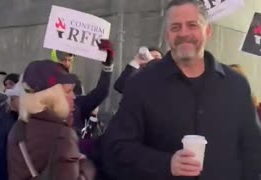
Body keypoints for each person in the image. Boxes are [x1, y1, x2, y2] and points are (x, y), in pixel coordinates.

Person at [101, 0, 261, 180]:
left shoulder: (236, 84)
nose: (184, 33)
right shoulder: (141, 85)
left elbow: (253, 152)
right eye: (175, 27)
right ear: (167, 35)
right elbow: (116, 148)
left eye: (192, 25)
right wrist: (165, 163)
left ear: (208, 31)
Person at [8, 60, 95, 180]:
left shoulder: (18, 128)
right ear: (52, 96)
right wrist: (85, 168)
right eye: (68, 91)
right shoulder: (62, 135)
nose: (73, 96)